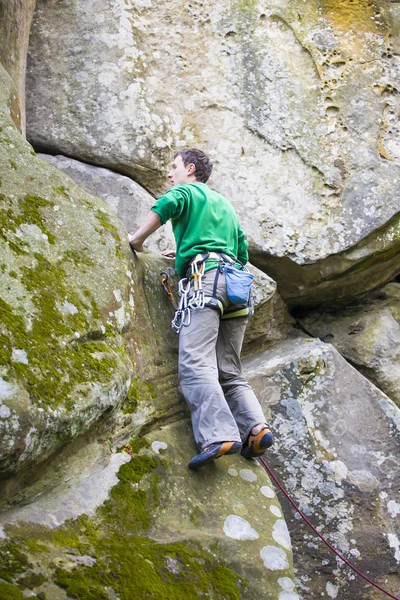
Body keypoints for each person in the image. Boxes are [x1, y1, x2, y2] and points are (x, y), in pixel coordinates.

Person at [128, 148, 273, 469]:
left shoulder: (187, 191)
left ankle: (218, 434)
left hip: (204, 281)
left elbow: (166, 205)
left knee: (196, 363)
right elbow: (241, 253)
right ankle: (256, 429)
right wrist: (184, 252)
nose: (170, 173)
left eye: (174, 167)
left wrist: (137, 241)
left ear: (190, 169)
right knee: (230, 371)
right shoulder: (225, 205)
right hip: (237, 286)